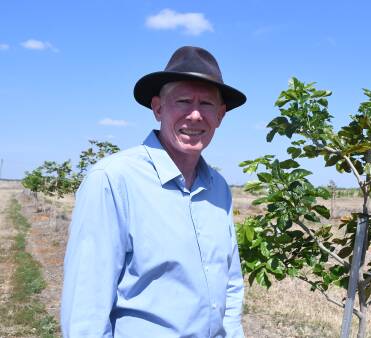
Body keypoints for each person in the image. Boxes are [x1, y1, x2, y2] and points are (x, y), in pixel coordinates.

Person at [61, 46, 247, 337]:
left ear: (221, 115)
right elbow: (86, 308)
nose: (196, 115)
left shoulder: (218, 188)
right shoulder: (113, 180)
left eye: (207, 104)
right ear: (158, 108)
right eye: (183, 101)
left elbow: (231, 283)